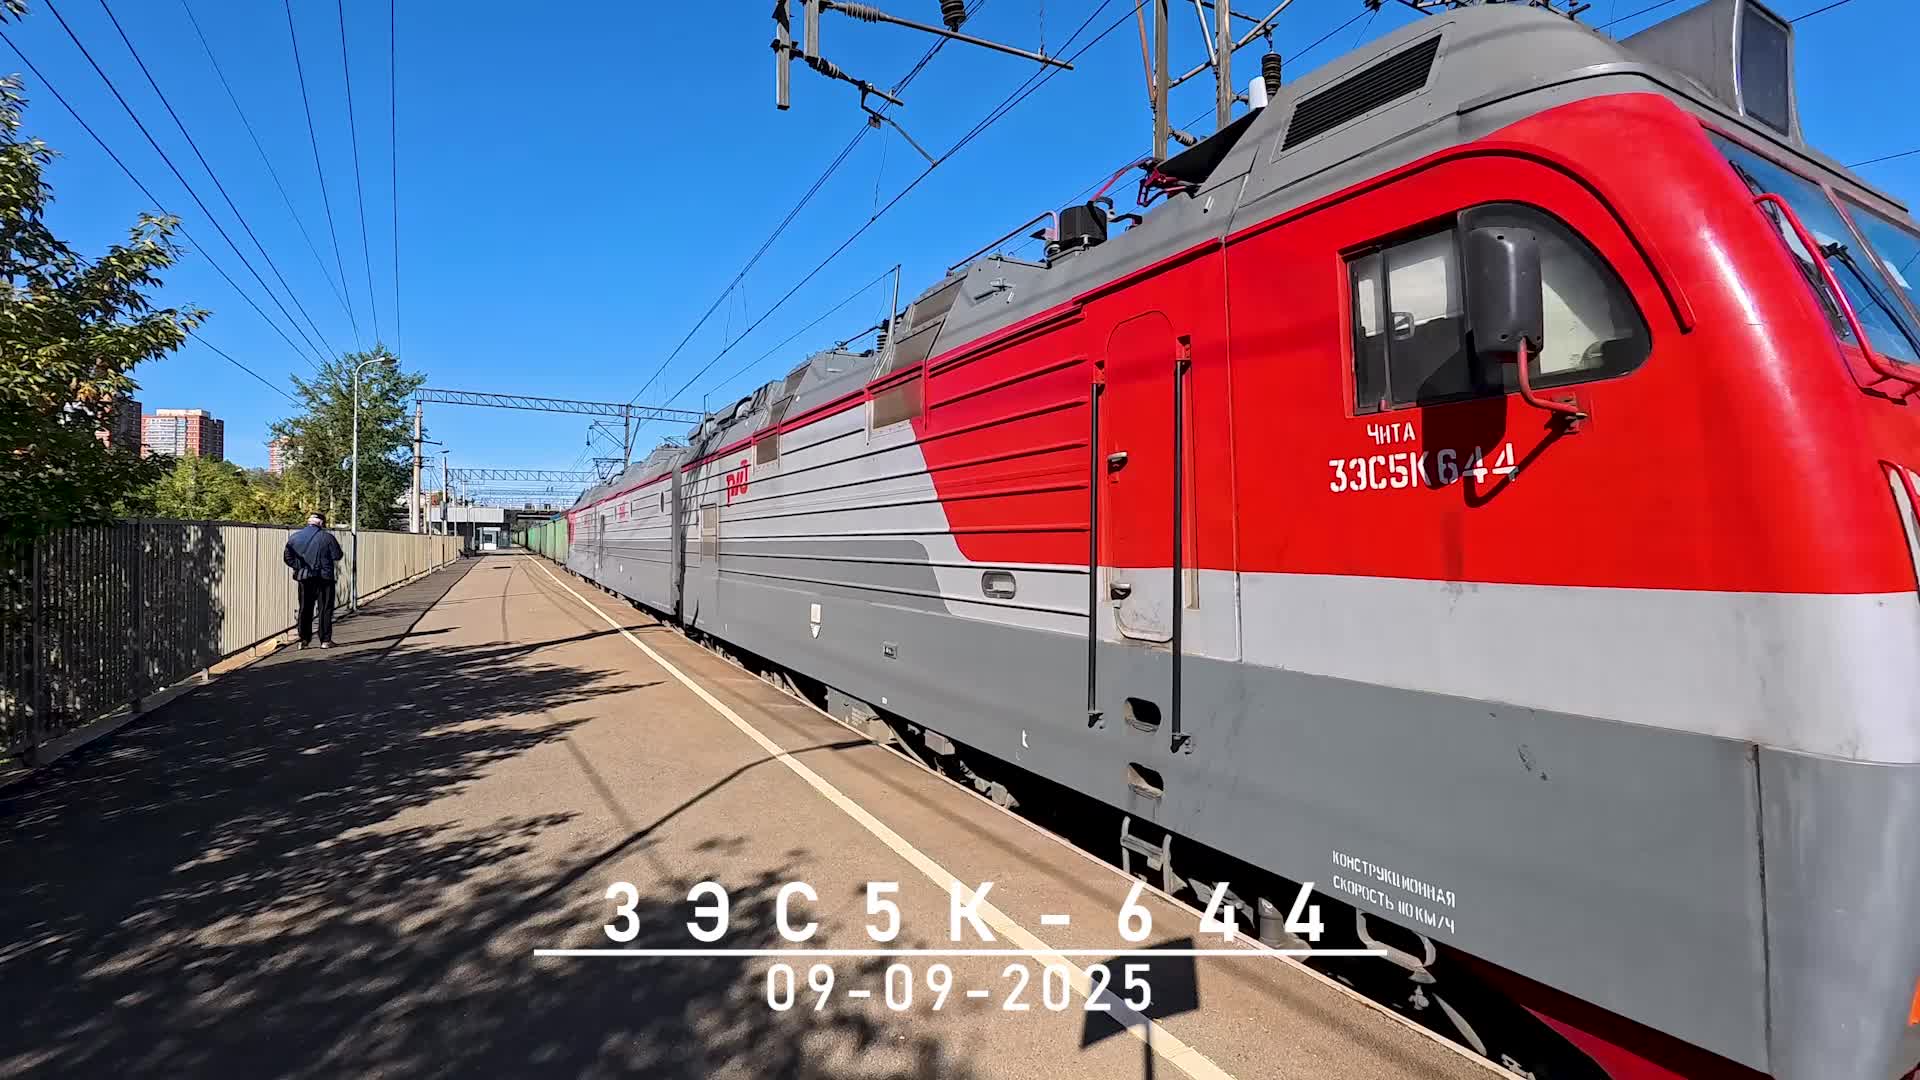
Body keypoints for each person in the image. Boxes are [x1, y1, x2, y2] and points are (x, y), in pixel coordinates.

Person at [284, 512, 345, 649]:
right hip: (324, 578)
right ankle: (325, 640)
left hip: (304, 578)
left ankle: (303, 640)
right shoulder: (327, 537)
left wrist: (299, 566)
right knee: (325, 608)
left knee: (305, 608)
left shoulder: (294, 537)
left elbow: (287, 557)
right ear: (322, 523)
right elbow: (337, 555)